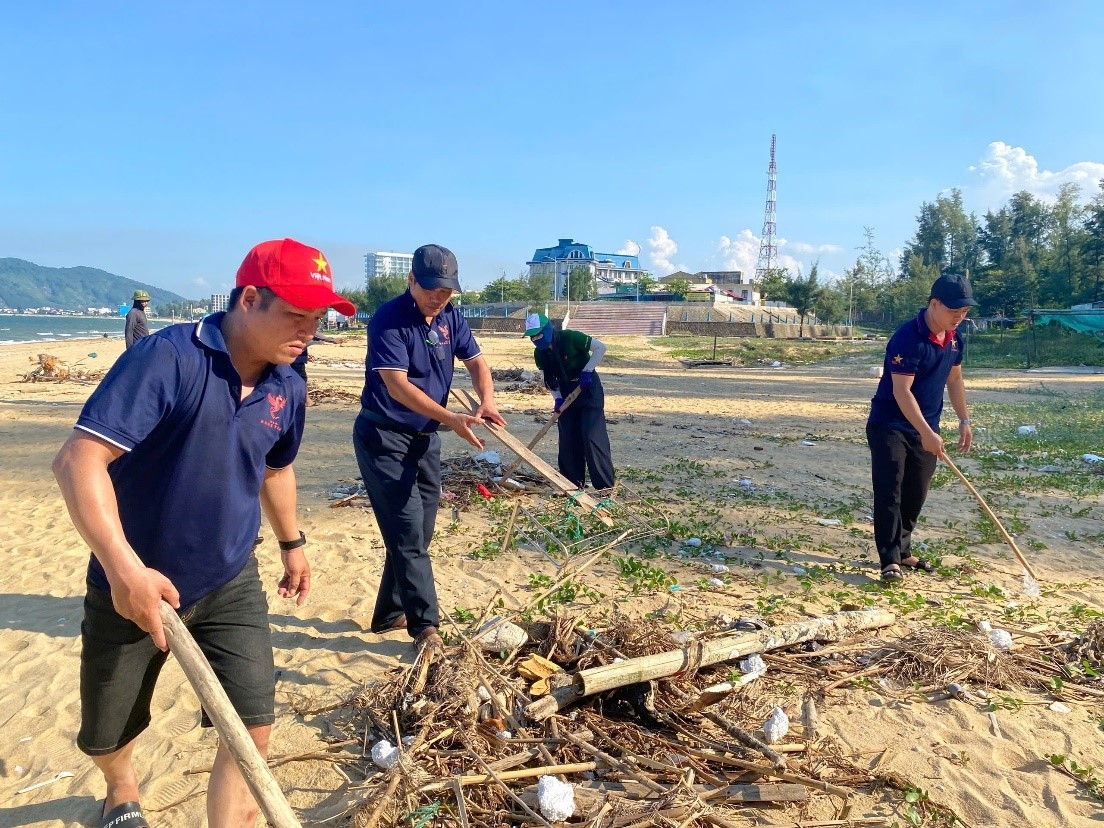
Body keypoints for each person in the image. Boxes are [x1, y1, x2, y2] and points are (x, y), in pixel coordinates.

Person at [52, 238, 355, 827]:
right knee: (106, 733)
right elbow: (78, 460)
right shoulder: (168, 359)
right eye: (296, 314)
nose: (308, 331)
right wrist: (124, 569)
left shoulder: (288, 385)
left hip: (230, 578)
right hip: (134, 580)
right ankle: (121, 789)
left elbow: (275, 466)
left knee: (250, 731)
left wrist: (292, 544)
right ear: (248, 298)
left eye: (317, 319)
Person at [353, 244, 505, 651]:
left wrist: (486, 399)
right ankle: (425, 628)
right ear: (412, 281)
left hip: (425, 439)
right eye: (433, 289)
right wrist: (450, 418)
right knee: (406, 532)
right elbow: (396, 385)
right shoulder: (389, 319)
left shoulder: (450, 317)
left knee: (419, 531)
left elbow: (476, 362)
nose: (440, 297)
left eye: (448, 290)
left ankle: (388, 612)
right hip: (383, 437)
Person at [866, 272, 976, 583]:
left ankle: (903, 550)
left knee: (917, 491)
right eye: (954, 311)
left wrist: (963, 420)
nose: (959, 318)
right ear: (934, 304)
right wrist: (927, 433)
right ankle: (889, 560)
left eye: (964, 313)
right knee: (891, 489)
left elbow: (955, 380)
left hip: (926, 426)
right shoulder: (908, 338)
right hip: (890, 424)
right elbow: (902, 392)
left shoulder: (954, 339)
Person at [524, 312, 615, 491]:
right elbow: (549, 379)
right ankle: (572, 484)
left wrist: (587, 371)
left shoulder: (571, 337)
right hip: (566, 394)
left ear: (548, 329)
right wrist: (557, 399)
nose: (536, 339)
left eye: (539, 334)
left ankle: (604, 486)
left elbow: (600, 348)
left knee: (591, 436)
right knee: (568, 438)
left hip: (587, 389)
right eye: (532, 337)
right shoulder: (540, 354)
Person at [290, 332, 344, 406]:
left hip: (295, 355)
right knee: (301, 378)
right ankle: (306, 401)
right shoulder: (303, 327)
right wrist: (333, 340)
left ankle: (303, 400)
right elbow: (315, 335)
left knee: (296, 377)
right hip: (295, 357)